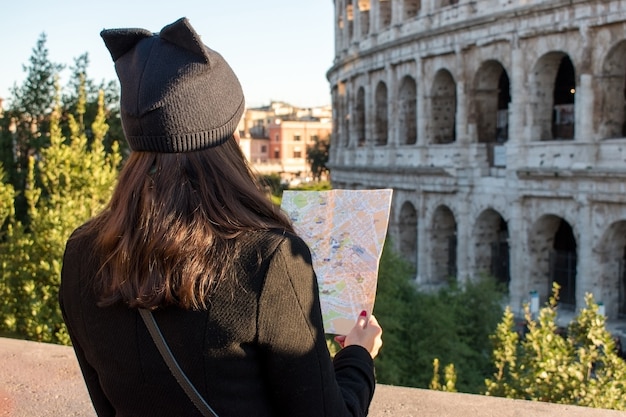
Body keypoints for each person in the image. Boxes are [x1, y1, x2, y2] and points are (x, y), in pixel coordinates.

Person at [59, 17, 383, 417]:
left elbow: (105, 403)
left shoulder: (81, 252)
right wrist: (357, 357)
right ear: (227, 133)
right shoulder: (268, 259)